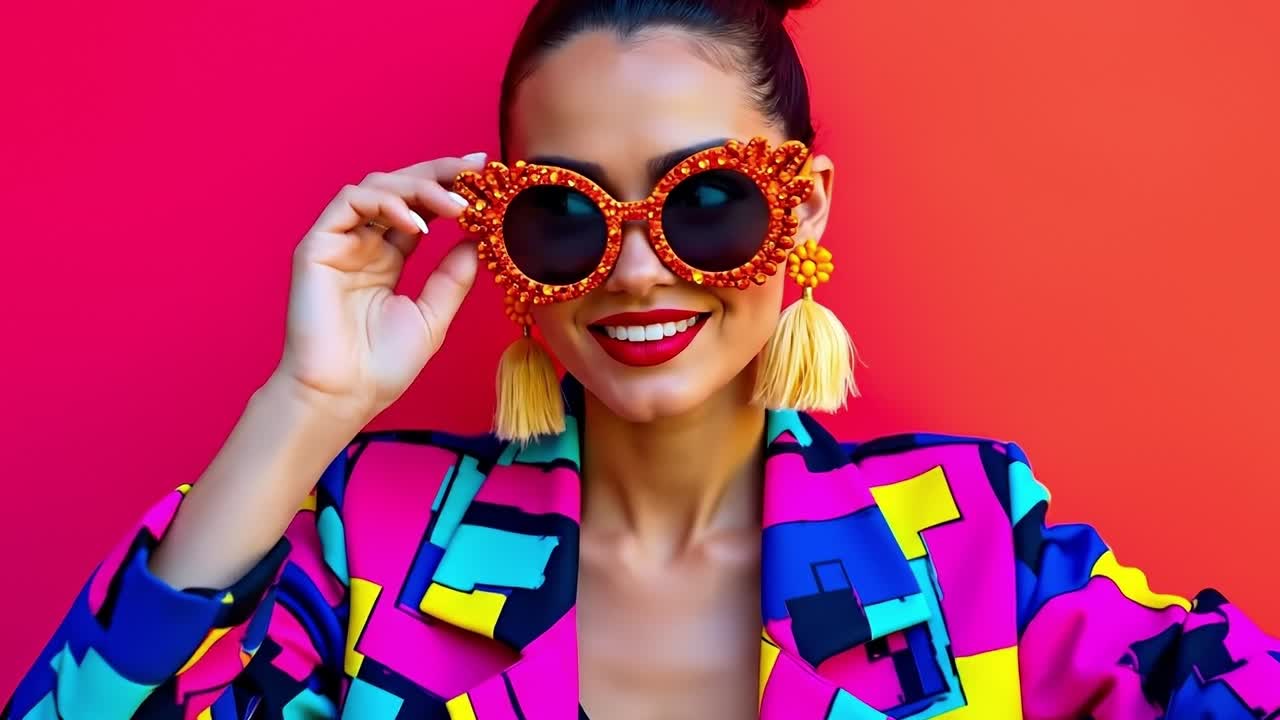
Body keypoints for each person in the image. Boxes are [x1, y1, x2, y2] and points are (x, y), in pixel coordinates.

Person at [5, 0, 1278, 718]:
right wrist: (304, 408)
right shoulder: (373, 545)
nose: (630, 268)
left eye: (705, 203)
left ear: (805, 207)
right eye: (561, 211)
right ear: (498, 225)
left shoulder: (967, 540)